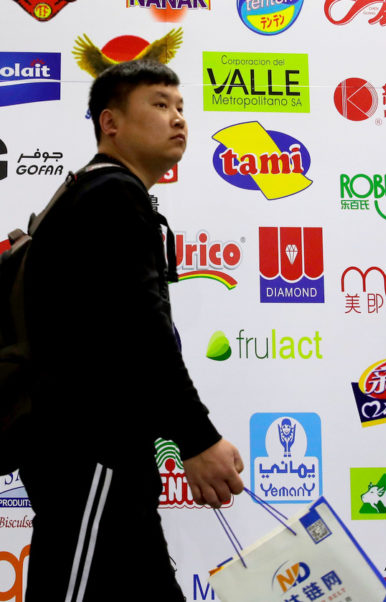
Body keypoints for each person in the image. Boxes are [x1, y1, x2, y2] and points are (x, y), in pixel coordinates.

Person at [19, 59, 245, 601]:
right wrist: (196, 438)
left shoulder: (97, 194)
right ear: (110, 123)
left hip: (111, 450)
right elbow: (141, 330)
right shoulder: (112, 195)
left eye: (182, 107)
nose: (179, 119)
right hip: (91, 449)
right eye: (160, 105)